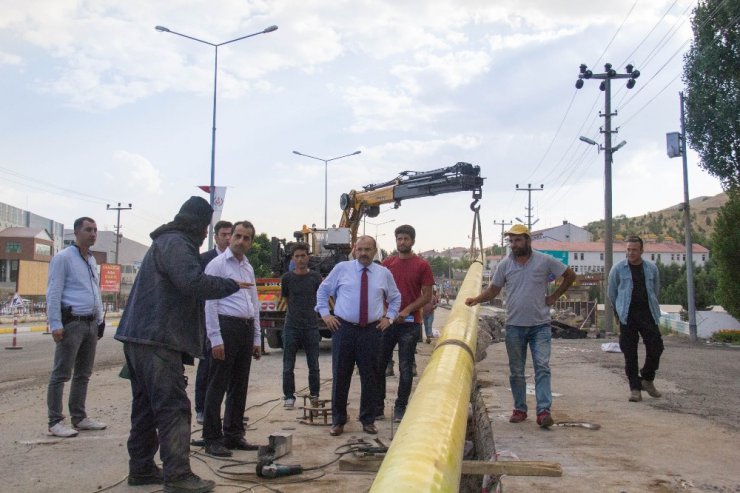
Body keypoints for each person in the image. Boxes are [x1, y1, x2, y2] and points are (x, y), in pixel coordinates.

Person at [115, 197, 247, 493]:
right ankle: (178, 477)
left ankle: (141, 468)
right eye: (205, 229)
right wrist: (229, 285)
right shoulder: (177, 243)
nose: (205, 235)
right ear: (199, 226)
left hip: (142, 337)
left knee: (147, 407)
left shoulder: (166, 242)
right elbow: (192, 283)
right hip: (157, 339)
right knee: (174, 406)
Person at [465, 224, 575, 428]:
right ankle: (520, 409)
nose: (514, 244)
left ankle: (543, 411)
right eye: (511, 241)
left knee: (542, 367)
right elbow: (493, 291)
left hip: (540, 326)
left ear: (527, 240)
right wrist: (476, 299)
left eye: (518, 240)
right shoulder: (505, 265)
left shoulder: (544, 261)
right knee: (516, 371)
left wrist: (554, 296)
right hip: (515, 326)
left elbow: (570, 275)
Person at [316, 235, 401, 437]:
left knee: (370, 376)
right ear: (354, 250)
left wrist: (389, 318)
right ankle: (338, 420)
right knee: (340, 375)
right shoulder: (341, 269)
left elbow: (396, 298)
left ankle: (368, 419)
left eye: (368, 249)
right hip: (343, 329)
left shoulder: (384, 273)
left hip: (372, 331)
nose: (363, 253)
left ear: (374, 251)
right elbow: (322, 290)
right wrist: (325, 314)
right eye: (360, 249)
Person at [201, 221, 262, 457]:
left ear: (251, 242)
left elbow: (253, 303)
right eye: (237, 236)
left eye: (246, 238)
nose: (240, 241)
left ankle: (234, 434)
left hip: (244, 329)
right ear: (229, 238)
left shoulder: (247, 267)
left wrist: (256, 337)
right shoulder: (217, 265)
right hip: (225, 327)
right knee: (217, 385)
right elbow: (209, 303)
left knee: (239, 385)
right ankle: (212, 438)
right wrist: (215, 338)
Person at [46, 217, 106, 438]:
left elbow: (94, 291)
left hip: (90, 323)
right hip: (72, 323)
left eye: (95, 230)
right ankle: (55, 421)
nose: (93, 234)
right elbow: (53, 292)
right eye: (88, 230)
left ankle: (79, 417)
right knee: (61, 373)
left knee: (83, 374)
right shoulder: (63, 258)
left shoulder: (90, 260)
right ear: (76, 232)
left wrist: (99, 319)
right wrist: (55, 324)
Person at [377, 225, 434, 423]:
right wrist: (386, 312)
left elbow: (427, 295)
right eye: (399, 238)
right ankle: (377, 406)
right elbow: (379, 291)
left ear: (413, 241)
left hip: (410, 324)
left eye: (406, 239)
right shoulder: (387, 264)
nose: (402, 242)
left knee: (406, 366)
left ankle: (401, 407)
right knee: (379, 364)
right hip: (387, 323)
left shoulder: (422, 265)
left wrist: (407, 310)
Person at [607, 235, 664, 403]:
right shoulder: (617, 269)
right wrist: (618, 313)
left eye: (634, 250)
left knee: (656, 346)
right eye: (628, 249)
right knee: (630, 353)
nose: (631, 253)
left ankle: (647, 378)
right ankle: (635, 389)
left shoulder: (651, 269)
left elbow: (655, 290)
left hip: (647, 313)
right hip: (627, 315)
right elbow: (612, 293)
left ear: (641, 251)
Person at [194, 220, 233, 425]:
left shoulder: (237, 261)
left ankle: (226, 412)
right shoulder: (204, 260)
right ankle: (201, 409)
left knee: (227, 370)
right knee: (207, 366)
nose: (228, 238)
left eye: (230, 234)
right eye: (224, 234)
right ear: (215, 236)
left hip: (231, 323)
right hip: (209, 321)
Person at [280, 242, 323, 409]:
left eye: (303, 256)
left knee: (314, 365)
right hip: (291, 327)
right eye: (297, 256)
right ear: (292, 258)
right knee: (288, 365)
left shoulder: (315, 277)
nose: (300, 259)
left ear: (308, 257)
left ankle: (315, 395)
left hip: (311, 327)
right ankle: (288, 396)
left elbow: (321, 298)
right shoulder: (287, 278)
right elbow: (286, 300)